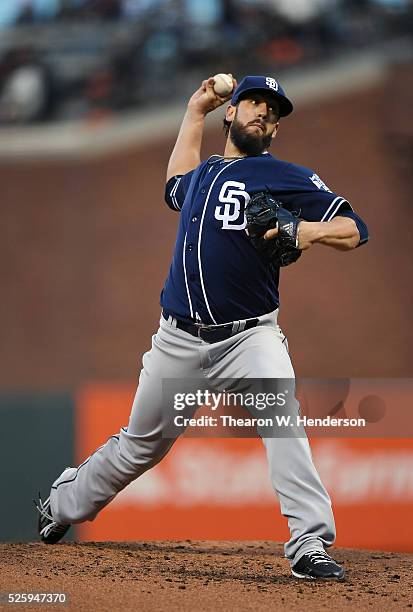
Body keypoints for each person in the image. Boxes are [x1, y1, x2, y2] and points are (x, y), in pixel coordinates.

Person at [35, 74, 368, 580]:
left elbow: (355, 228)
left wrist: (308, 229)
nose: (263, 113)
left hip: (248, 338)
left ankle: (310, 543)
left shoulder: (284, 176)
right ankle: (61, 506)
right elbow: (174, 184)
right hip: (178, 341)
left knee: (282, 420)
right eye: (254, 102)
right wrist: (193, 113)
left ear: (276, 129)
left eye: (272, 111)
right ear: (230, 113)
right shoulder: (202, 175)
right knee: (140, 444)